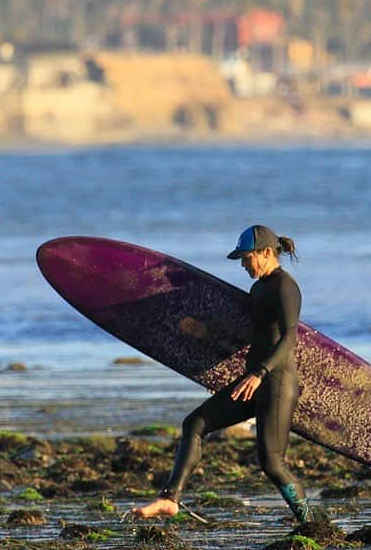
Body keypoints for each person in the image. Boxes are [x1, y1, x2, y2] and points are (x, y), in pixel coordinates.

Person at [132, 224, 314, 524]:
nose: (243, 264)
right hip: (252, 382)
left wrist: (260, 373)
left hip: (277, 382)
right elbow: (245, 336)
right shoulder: (258, 288)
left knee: (271, 462)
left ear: (266, 253)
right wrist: (203, 339)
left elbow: (289, 338)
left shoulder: (285, 288)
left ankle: (311, 523)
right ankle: (169, 499)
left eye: (247, 257)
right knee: (195, 423)